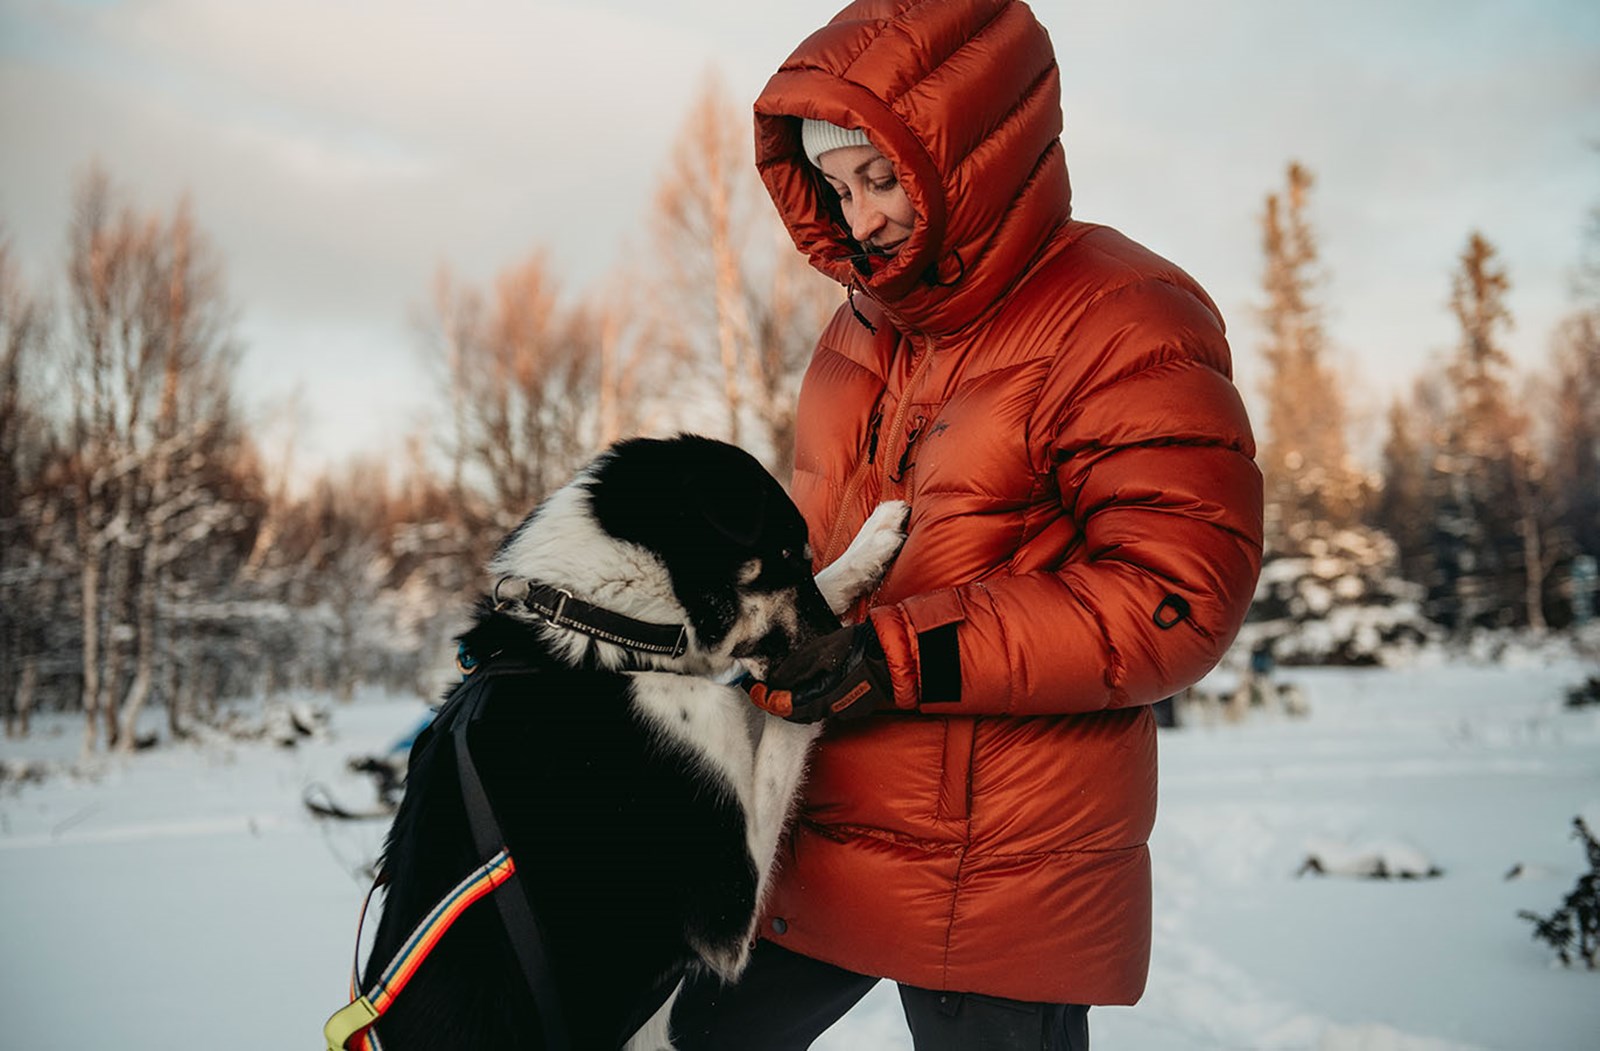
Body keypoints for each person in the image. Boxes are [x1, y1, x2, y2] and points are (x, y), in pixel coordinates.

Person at [671, 1, 1263, 1047]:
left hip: (998, 866)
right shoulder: (855, 336)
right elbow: (828, 559)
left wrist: (892, 657)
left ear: (974, 152)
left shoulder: (1122, 315)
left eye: (882, 177)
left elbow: (1172, 596)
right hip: (809, 830)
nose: (860, 220)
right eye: (836, 187)